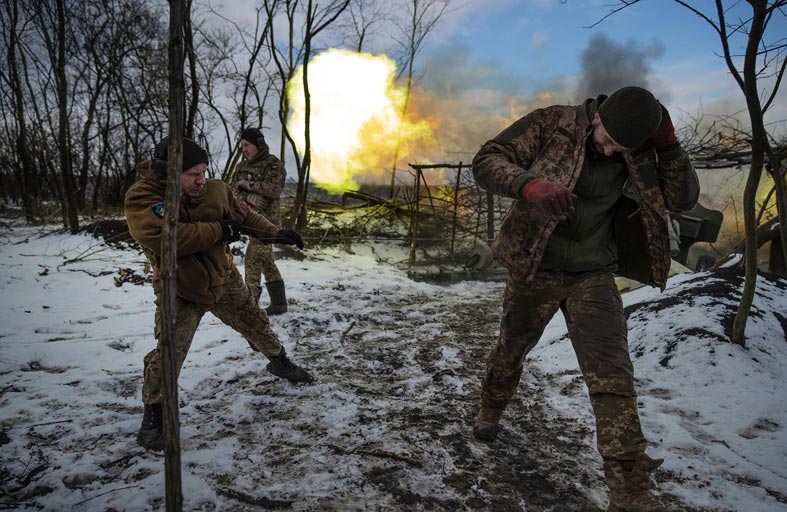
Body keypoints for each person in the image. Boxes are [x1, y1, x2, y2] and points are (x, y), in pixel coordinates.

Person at [471, 86, 699, 511]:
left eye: (623, 147)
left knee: (613, 375)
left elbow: (684, 199)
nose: (612, 152)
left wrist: (669, 148)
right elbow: (485, 160)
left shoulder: (643, 152)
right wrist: (528, 184)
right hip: (534, 267)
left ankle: (629, 490)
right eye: (608, 140)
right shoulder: (552, 123)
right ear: (597, 117)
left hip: (593, 274)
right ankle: (491, 407)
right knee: (510, 351)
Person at [124, 136, 315, 452]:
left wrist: (275, 233)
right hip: (180, 289)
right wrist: (218, 231)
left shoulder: (216, 190)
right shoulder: (142, 198)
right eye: (193, 174)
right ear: (170, 173)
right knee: (169, 352)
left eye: (203, 171)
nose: (202, 180)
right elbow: (165, 237)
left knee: (256, 322)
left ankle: (279, 361)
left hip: (224, 279)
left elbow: (243, 216)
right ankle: (153, 416)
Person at [230, 128, 289, 315]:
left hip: (268, 224)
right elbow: (232, 191)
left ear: (259, 144)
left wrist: (248, 186)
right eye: (242, 146)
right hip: (247, 220)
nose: (244, 150)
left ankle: (249, 308)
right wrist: (250, 198)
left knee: (253, 259)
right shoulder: (241, 167)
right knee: (266, 262)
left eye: (247, 145)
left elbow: (274, 188)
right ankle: (279, 304)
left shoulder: (273, 164)